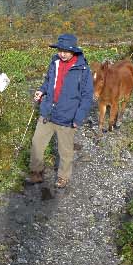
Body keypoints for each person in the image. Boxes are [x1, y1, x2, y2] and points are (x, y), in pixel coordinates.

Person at [29, 33, 94, 189]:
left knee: (65, 150)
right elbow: (47, 81)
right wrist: (42, 91)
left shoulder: (83, 69)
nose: (62, 53)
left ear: (74, 51)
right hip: (48, 112)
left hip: (68, 116)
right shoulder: (55, 62)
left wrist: (78, 118)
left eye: (66, 51)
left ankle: (63, 176)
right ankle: (36, 172)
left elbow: (86, 96)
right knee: (37, 143)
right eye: (60, 50)